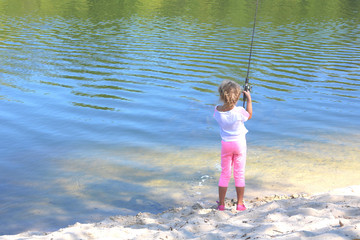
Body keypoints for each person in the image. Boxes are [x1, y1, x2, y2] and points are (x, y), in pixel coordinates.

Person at [213, 80, 252, 211]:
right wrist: (249, 100)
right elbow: (249, 115)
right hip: (240, 145)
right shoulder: (240, 111)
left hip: (226, 145)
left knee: (225, 173)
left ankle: (221, 204)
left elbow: (224, 111)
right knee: (239, 173)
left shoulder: (217, 111)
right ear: (237, 97)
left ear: (221, 95)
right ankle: (240, 204)